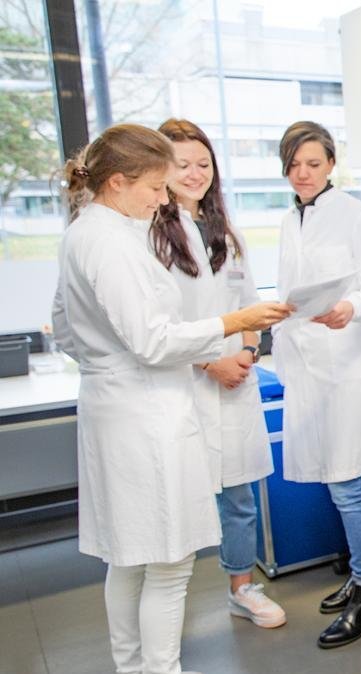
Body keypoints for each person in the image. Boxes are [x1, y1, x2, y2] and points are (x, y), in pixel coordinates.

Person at [51, 124, 292, 674]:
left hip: (117, 405)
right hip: (146, 415)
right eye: (157, 186)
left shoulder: (84, 233)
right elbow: (154, 340)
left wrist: (102, 361)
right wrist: (237, 321)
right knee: (167, 564)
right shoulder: (111, 242)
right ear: (117, 181)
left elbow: (64, 326)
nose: (165, 198)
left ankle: (132, 667)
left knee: (129, 560)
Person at [152, 118, 286, 629]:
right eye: (182, 164)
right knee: (181, 495)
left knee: (239, 496)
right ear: (160, 170)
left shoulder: (225, 233)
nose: (194, 173)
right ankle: (168, 594)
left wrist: (246, 356)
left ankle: (241, 587)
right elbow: (158, 326)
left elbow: (250, 305)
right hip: (185, 384)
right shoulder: (151, 236)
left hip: (237, 380)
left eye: (203, 163)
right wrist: (211, 363)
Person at [272, 120, 361, 648]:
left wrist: (350, 308)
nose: (303, 173)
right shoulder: (288, 220)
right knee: (336, 479)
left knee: (347, 482)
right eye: (295, 164)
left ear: (331, 165)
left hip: (349, 366)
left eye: (313, 164)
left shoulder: (357, 216)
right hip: (309, 366)